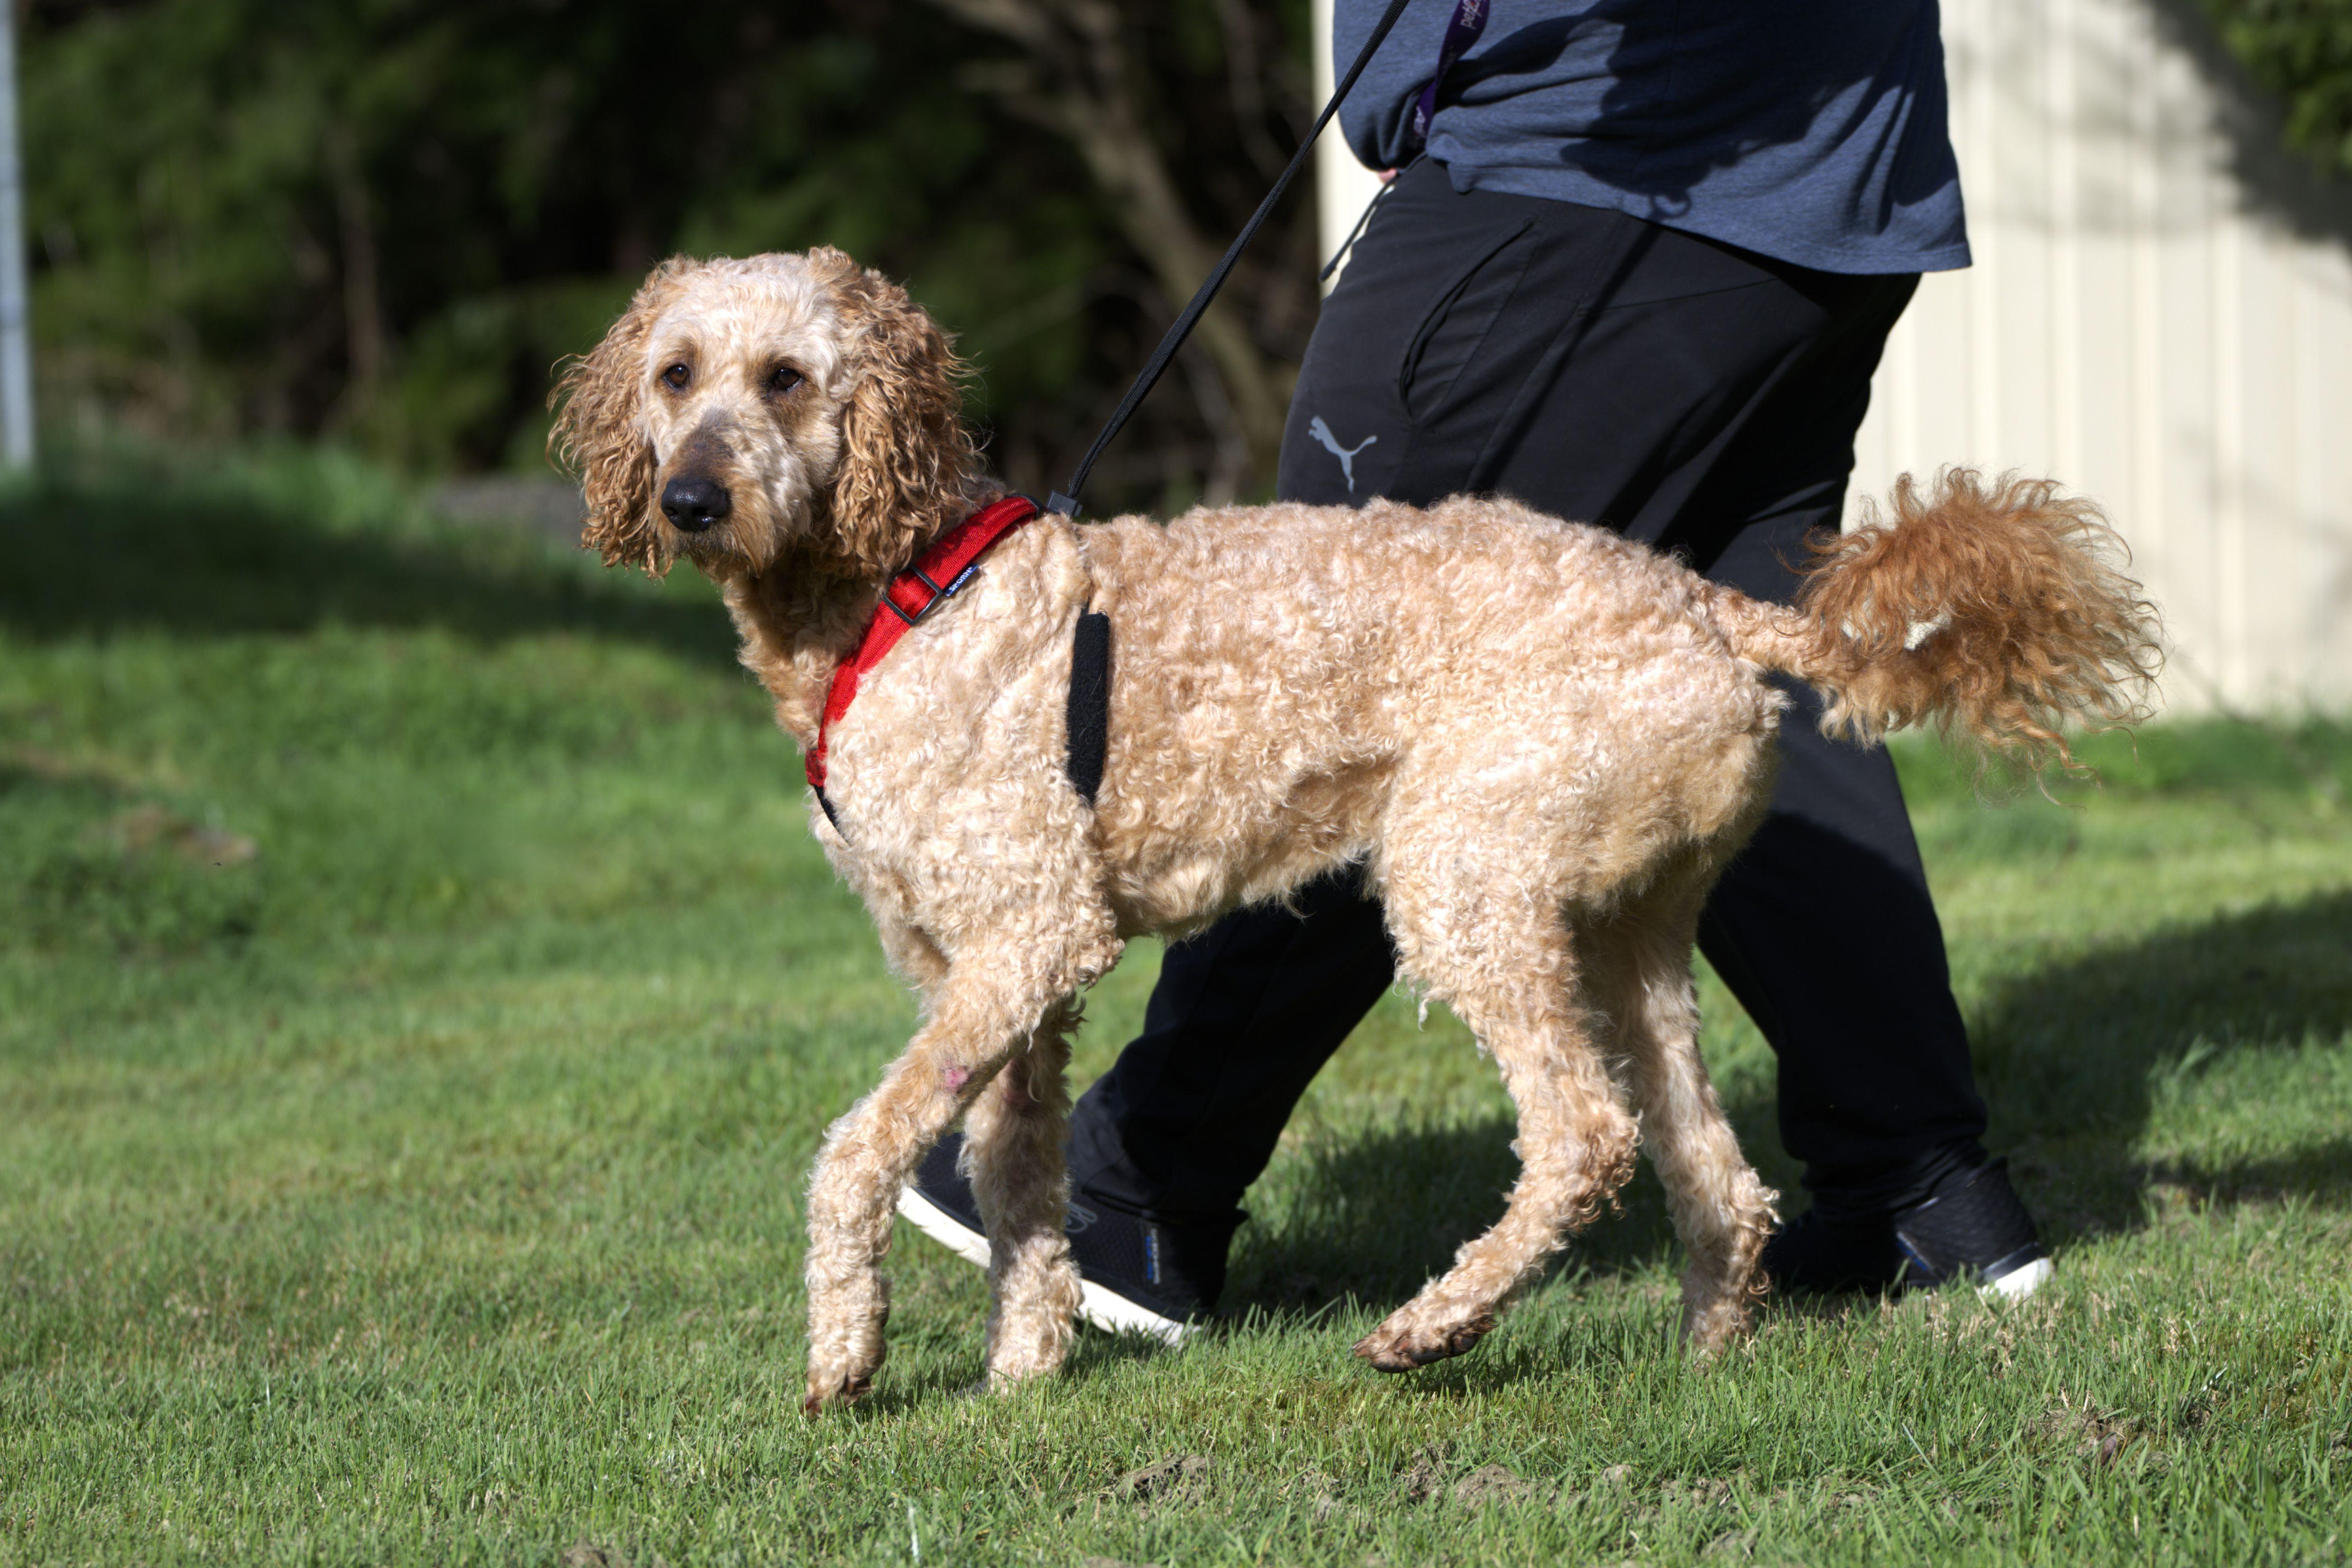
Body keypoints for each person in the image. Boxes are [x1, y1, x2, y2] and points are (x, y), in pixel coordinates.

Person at [901, 0, 2048, 1340]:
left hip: (1598, 168)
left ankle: (1135, 1185)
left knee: (1331, 664)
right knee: (1719, 662)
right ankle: (1921, 1187)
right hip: (1821, 190)